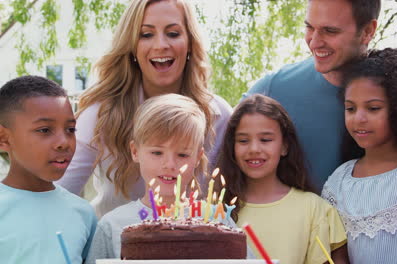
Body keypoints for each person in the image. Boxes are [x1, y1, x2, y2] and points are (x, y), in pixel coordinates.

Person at [57, 0, 232, 218]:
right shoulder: (100, 114)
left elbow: (235, 195)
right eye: (146, 35)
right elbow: (59, 195)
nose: (160, 45)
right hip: (115, 248)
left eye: (173, 33)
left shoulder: (218, 114)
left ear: (190, 43)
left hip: (193, 248)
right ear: (131, 46)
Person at [84, 94, 252, 263]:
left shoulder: (218, 220)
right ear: (135, 151)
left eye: (182, 154)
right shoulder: (112, 225)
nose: (170, 164)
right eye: (157, 152)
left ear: (198, 157)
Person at [321, 48, 397, 263]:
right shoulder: (338, 182)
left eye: (373, 108)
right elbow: (337, 253)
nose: (359, 118)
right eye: (350, 109)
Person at [242, 0, 380, 191]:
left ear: (367, 31)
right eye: (309, 27)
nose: (314, 42)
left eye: (330, 31)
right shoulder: (270, 91)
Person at [216, 94, 348, 264]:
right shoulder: (217, 211)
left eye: (265, 139)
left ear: (284, 146)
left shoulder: (313, 209)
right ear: (232, 147)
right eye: (243, 140)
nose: (254, 148)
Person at [0, 76, 97, 263]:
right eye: (44, 130)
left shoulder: (83, 213)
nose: (63, 142)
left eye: (70, 130)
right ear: (3, 138)